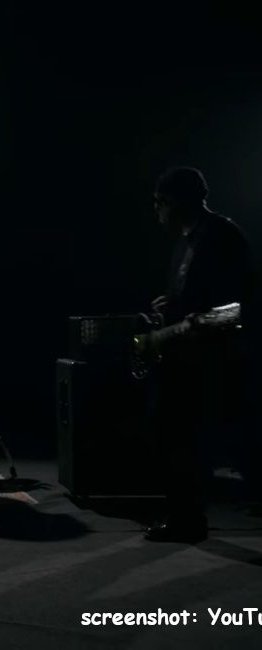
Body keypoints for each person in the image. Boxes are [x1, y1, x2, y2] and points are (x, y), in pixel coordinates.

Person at [145, 166, 255, 543]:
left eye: (160, 202)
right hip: (191, 360)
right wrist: (174, 304)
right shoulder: (189, 239)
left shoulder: (222, 236)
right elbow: (203, 296)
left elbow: (241, 307)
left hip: (217, 361)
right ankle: (185, 520)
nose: (157, 210)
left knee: (204, 443)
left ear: (176, 201)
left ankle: (187, 521)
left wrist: (185, 325)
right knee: (181, 442)